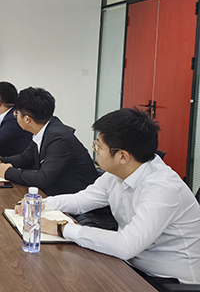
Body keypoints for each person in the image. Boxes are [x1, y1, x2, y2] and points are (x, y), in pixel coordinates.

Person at [17, 108, 200, 287]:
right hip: (129, 265)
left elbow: (126, 245)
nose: (95, 150)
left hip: (166, 281)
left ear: (123, 156)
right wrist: (41, 203)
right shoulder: (118, 173)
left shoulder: (162, 189)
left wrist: (62, 228)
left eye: (99, 146)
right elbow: (82, 200)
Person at [0, 87, 97, 196]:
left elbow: (43, 179)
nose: (15, 117)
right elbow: (26, 158)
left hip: (75, 197)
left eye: (17, 114)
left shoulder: (59, 139)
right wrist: (0, 161)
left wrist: (8, 172)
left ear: (27, 119)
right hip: (56, 190)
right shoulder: (44, 128)